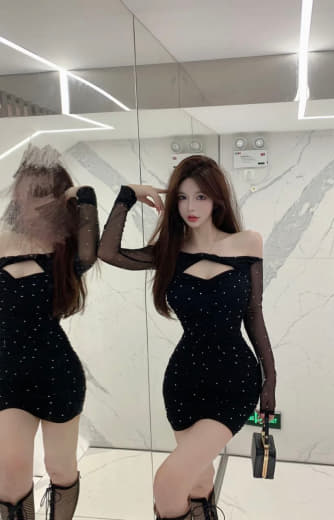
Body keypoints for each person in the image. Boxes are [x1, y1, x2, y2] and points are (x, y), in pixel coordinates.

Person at [98, 155, 276, 520]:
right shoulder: (168, 252)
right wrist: (127, 195)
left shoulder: (248, 243)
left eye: (200, 197)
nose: (190, 207)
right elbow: (107, 253)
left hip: (234, 382)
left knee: (168, 483)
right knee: (198, 478)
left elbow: (254, 315)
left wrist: (269, 380)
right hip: (184, 383)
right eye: (181, 197)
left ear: (217, 199)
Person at [0, 144, 99, 520]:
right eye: (26, 192)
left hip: (56, 373)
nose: (31, 201)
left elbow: (91, 251)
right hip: (7, 376)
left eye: (43, 193)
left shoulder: (66, 250)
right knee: (10, 477)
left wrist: (82, 197)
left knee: (60, 469)